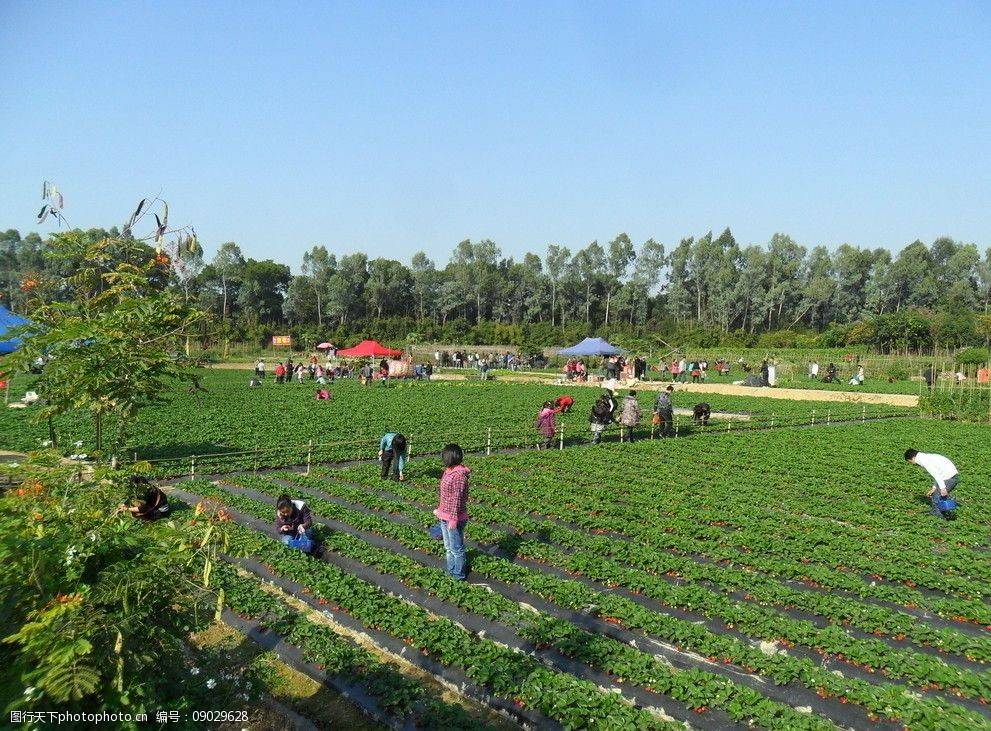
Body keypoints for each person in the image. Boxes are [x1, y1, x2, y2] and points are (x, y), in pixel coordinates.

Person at [435, 444, 470, 580]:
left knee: (456, 549)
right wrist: (440, 510)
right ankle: (450, 571)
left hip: (454, 517)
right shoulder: (448, 471)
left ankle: (458, 575)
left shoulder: (459, 476)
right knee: (448, 547)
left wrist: (453, 520)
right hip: (445, 515)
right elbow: (444, 494)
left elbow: (457, 499)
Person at [905, 449, 960, 519]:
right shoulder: (925, 457)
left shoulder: (924, 460)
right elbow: (938, 473)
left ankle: (938, 517)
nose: (912, 463)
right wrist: (934, 488)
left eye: (910, 461)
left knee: (937, 495)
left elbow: (936, 474)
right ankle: (943, 514)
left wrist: (942, 488)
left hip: (949, 478)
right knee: (938, 495)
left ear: (913, 458)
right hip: (950, 476)